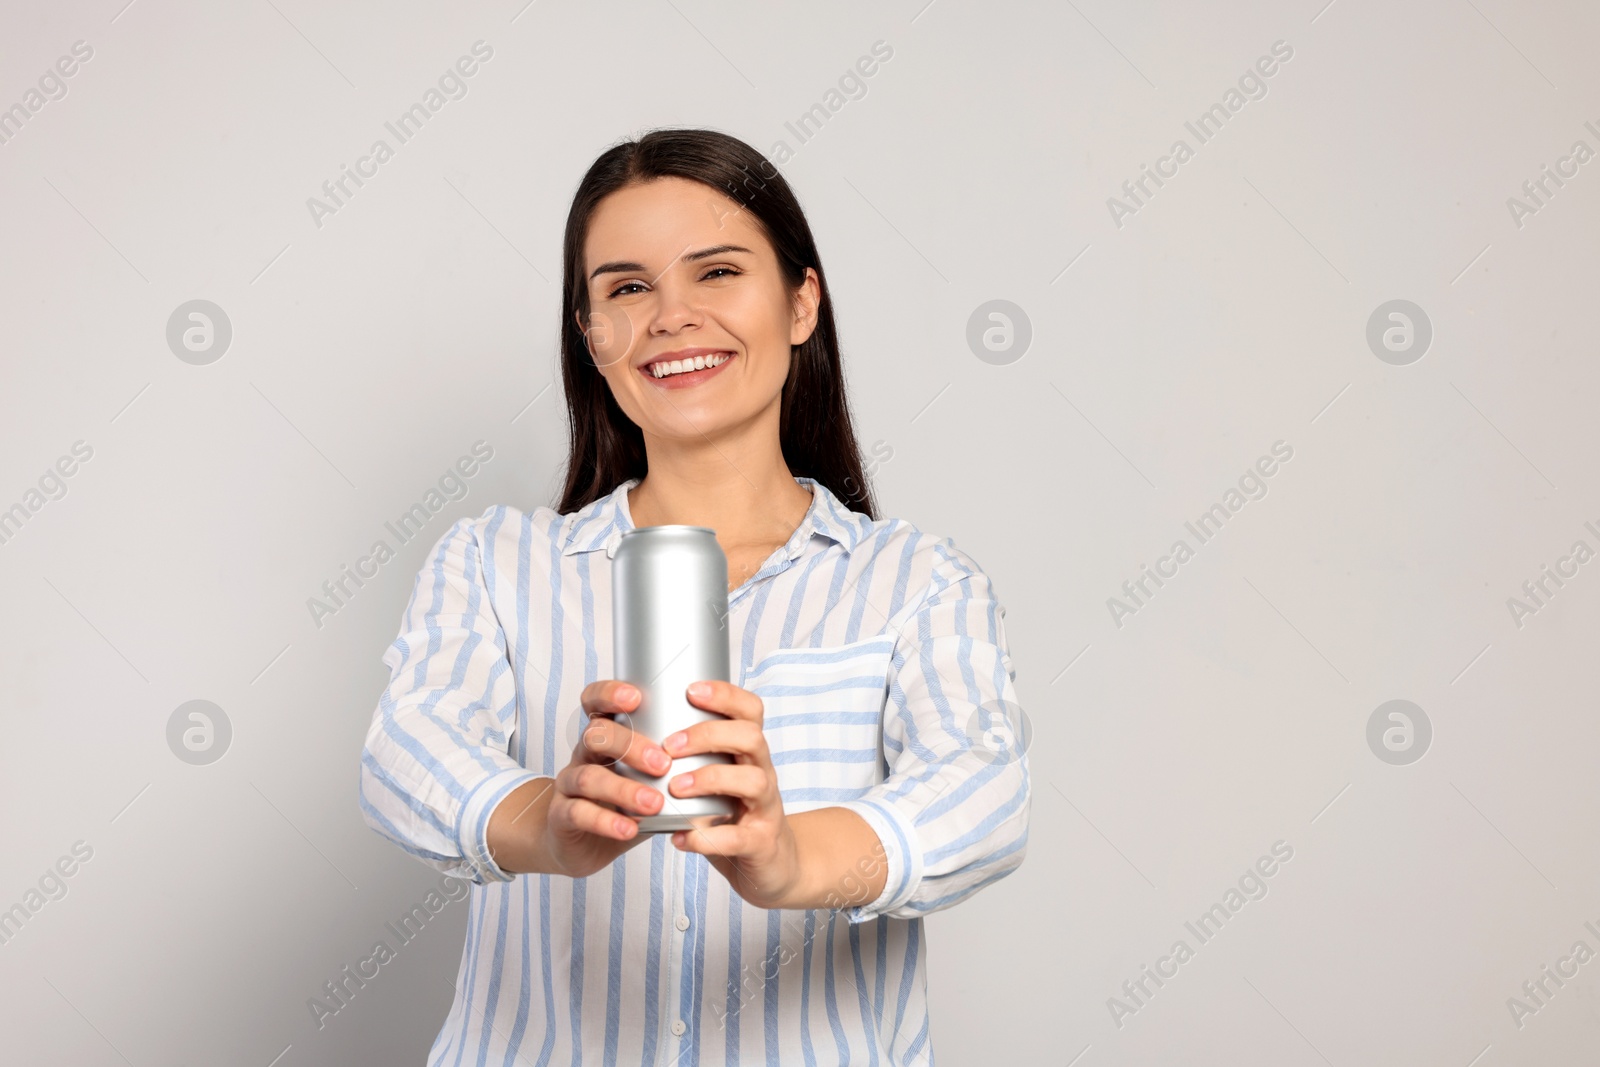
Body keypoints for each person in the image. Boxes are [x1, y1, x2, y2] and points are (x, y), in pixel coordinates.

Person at [358, 127, 1030, 1066]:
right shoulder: (495, 562)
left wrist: (790, 857)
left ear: (801, 302)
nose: (671, 315)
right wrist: (546, 821)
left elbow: (986, 794)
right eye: (628, 288)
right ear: (592, 337)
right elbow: (405, 749)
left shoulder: (914, 582)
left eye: (716, 272)